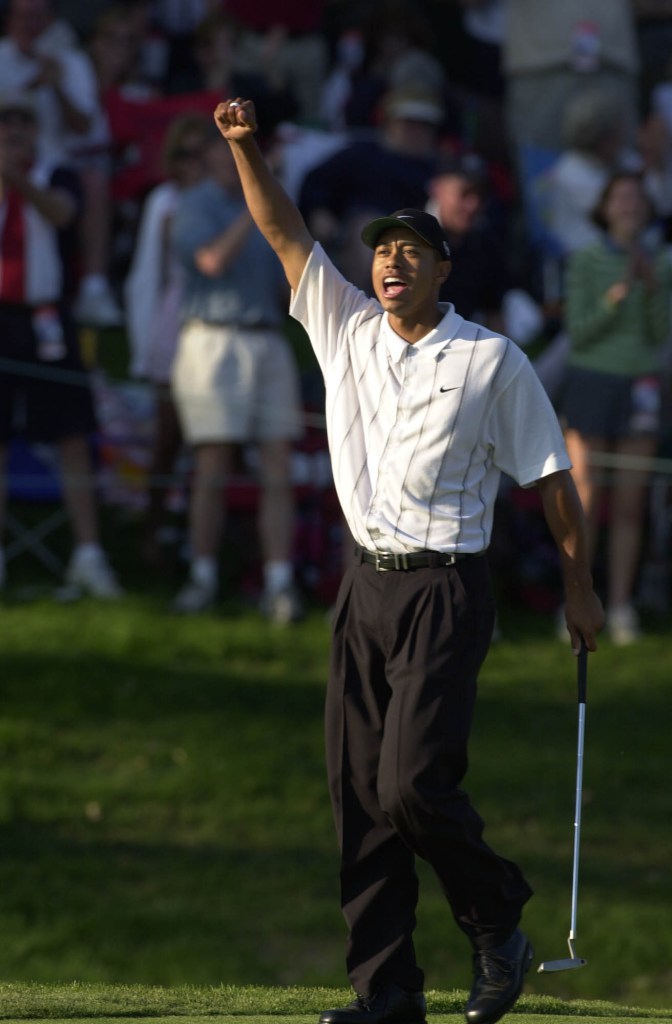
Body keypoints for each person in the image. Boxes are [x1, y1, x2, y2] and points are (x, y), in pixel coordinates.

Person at [213, 96, 604, 1024]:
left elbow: (552, 477)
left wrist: (580, 587)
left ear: (442, 268)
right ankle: (387, 992)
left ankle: (498, 918)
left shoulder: (490, 359)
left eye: (411, 250)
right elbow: (281, 231)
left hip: (445, 590)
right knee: (359, 800)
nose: (391, 261)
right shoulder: (342, 328)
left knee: (411, 786)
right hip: (364, 588)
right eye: (382, 249)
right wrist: (245, 147)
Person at [170, 126, 304, 622]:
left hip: (266, 337)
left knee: (278, 466)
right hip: (212, 339)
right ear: (204, 154)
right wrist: (259, 205)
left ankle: (279, 582)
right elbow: (211, 260)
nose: (232, 159)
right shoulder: (193, 204)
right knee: (212, 465)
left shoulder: (268, 205)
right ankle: (201, 576)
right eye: (222, 150)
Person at [0, 91, 122, 597]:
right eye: (5, 125)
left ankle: (88, 554)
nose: (14, 133)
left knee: (72, 435)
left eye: (23, 125)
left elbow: (61, 213)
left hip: (48, 318)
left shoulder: (54, 172)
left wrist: (16, 178)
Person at [559, 171, 671, 645]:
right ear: (605, 209)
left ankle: (621, 606)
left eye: (636, 199)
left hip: (639, 384)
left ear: (646, 211)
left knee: (630, 504)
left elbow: (658, 332)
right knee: (584, 502)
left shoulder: (660, 262)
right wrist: (612, 300)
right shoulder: (584, 260)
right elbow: (578, 332)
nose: (629, 206)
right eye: (620, 198)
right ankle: (576, 601)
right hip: (590, 383)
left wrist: (648, 288)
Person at [124, 112, 210, 568]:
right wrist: (144, 347)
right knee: (168, 441)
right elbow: (146, 276)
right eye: (185, 153)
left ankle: (202, 545)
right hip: (173, 322)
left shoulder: (227, 200)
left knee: (213, 444)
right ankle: (152, 537)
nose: (193, 162)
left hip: (216, 325)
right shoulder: (165, 201)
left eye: (202, 153)